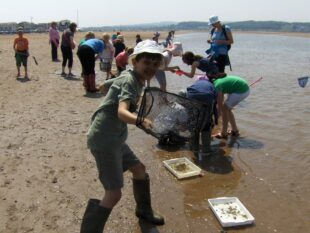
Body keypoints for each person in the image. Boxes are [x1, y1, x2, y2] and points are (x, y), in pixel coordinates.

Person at [80, 40, 165, 233]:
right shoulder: (130, 81)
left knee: (139, 169)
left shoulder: (129, 76)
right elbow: (122, 113)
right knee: (114, 193)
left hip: (114, 137)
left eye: (155, 64)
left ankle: (144, 210)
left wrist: (104, 86)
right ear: (135, 61)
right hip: (105, 140)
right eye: (147, 63)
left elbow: (107, 85)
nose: (151, 68)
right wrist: (141, 120)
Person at [179, 78, 217, 156]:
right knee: (206, 122)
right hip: (207, 97)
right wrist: (215, 118)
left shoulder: (195, 84)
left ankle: (194, 149)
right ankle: (206, 151)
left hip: (191, 96)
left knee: (193, 122)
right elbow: (214, 106)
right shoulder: (212, 86)